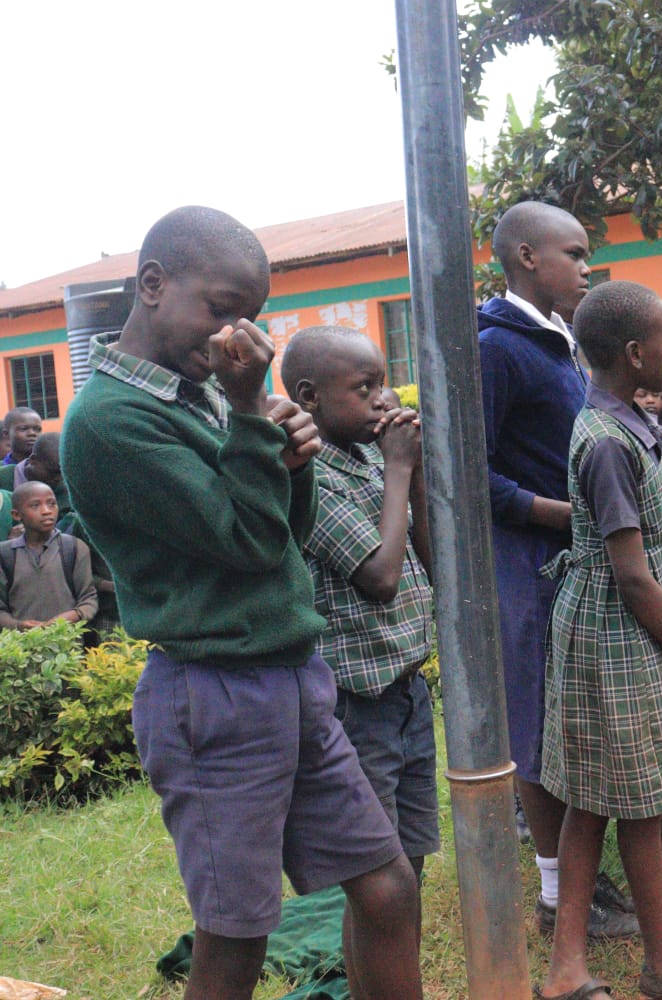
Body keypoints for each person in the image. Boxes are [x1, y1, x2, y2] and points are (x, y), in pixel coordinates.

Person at [60, 206, 422, 999]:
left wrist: (287, 459)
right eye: (220, 309)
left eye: (250, 316)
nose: (236, 334)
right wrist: (255, 417)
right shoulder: (111, 422)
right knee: (236, 936)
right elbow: (246, 544)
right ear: (153, 286)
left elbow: (280, 543)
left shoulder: (201, 395)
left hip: (291, 678)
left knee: (387, 883)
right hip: (212, 697)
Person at [537, 280, 662, 1000]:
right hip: (619, 635)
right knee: (635, 801)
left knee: (599, 798)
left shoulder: (619, 424)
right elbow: (631, 575)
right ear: (635, 354)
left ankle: (569, 969)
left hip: (613, 629)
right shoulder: (608, 445)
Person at [477, 201, 637, 938]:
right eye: (573, 253)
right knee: (540, 726)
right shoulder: (495, 347)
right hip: (532, 564)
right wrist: (558, 513)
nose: (585, 266)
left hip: (573, 559)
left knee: (573, 718)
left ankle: (580, 879)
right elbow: (469, 476)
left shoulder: (561, 342)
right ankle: (553, 892)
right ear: (525, 257)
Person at [282, 326, 439, 966]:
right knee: (378, 882)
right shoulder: (311, 475)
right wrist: (402, 467)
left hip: (405, 690)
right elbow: (379, 577)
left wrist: (414, 472)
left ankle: (378, 980)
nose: (383, 400)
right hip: (354, 701)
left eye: (384, 384)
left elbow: (430, 560)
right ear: (310, 397)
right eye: (365, 388)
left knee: (411, 866)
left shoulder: (372, 458)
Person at [0, 481, 97, 630]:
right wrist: (18, 625)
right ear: (16, 515)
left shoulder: (74, 548)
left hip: (67, 646)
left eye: (52, 504)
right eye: (35, 506)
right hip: (20, 647)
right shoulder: (5, 553)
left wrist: (71, 616)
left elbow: (89, 600)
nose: (46, 511)